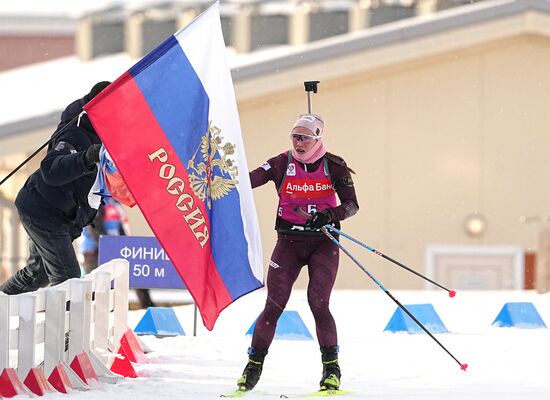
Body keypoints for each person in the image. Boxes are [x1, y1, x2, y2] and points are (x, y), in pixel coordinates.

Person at [236, 113, 359, 392]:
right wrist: (224, 175)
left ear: (318, 139)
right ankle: (251, 369)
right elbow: (250, 179)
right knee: (273, 305)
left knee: (318, 303)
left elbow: (352, 206)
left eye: (305, 137)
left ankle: (331, 371)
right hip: (288, 242)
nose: (299, 142)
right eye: (295, 136)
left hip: (323, 242)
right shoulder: (281, 162)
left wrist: (329, 215)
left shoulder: (334, 165)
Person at [0, 81, 111, 295]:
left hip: (61, 213)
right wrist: (86, 157)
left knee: (37, 274)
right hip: (44, 210)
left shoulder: (105, 132)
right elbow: (51, 169)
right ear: (98, 108)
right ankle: (67, 329)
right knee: (68, 279)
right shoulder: (75, 132)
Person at [80, 198, 156, 309]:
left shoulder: (114, 202)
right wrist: (110, 247)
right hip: (95, 250)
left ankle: (148, 307)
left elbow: (121, 227)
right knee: (99, 288)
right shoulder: (94, 199)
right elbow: (94, 228)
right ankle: (96, 315)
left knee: (136, 271)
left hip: (115, 246)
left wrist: (125, 246)